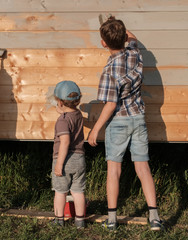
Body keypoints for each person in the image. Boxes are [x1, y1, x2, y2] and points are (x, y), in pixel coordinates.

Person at [87, 17, 163, 231]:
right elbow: (132, 37)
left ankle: (112, 220)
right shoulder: (134, 54)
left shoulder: (109, 70)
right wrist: (116, 24)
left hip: (118, 121)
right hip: (138, 118)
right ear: (123, 37)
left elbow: (111, 105)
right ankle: (154, 218)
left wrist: (95, 129)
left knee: (114, 170)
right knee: (143, 167)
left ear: (103, 42)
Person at [51, 80, 86, 228]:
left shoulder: (62, 121)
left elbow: (65, 142)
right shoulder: (77, 115)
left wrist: (59, 164)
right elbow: (69, 113)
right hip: (80, 158)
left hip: (65, 160)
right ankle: (80, 221)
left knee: (60, 191)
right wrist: (63, 111)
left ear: (59, 101)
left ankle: (59, 220)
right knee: (78, 191)